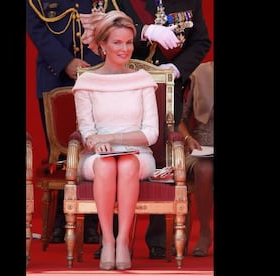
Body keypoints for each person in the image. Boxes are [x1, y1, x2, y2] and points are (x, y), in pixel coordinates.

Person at [92, 0, 212, 259]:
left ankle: (160, 240)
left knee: (163, 160)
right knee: (115, 157)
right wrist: (143, 29)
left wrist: (177, 68)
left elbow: (201, 41)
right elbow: (103, 28)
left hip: (167, 90)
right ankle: (109, 240)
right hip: (122, 86)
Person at [73, 10, 159, 270]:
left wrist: (109, 137)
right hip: (97, 156)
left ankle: (123, 241)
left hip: (138, 153)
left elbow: (150, 134)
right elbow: (87, 132)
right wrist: (96, 142)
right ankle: (107, 241)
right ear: (102, 45)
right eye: (117, 43)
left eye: (129, 42)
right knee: (107, 165)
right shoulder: (86, 81)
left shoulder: (142, 80)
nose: (125, 49)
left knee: (127, 164)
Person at [26, 0, 102, 244]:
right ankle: (60, 219)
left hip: (96, 73)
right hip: (54, 76)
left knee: (95, 149)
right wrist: (65, 62)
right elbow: (35, 25)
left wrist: (95, 66)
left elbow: (111, 17)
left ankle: (91, 222)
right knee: (59, 155)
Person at [178, 61, 214, 257]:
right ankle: (205, 233)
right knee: (204, 168)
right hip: (201, 145)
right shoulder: (200, 73)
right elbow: (181, 121)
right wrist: (187, 138)